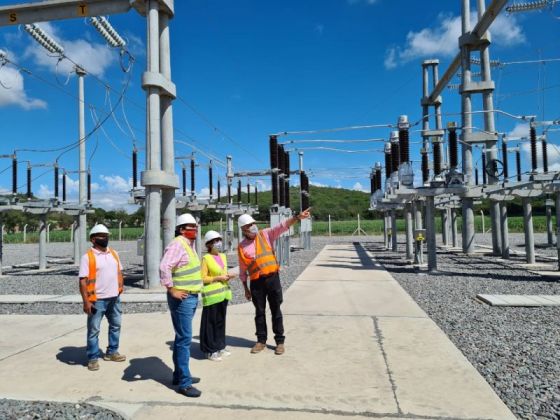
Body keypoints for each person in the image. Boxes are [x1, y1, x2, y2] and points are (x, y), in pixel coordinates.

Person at [238, 208, 311, 355]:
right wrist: (245, 288)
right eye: (249, 225)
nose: (253, 226)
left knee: (276, 310)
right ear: (243, 229)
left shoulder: (265, 234)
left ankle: (279, 342)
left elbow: (282, 225)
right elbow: (242, 270)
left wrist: (297, 217)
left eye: (253, 223)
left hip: (272, 278)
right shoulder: (241, 246)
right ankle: (261, 341)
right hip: (257, 283)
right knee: (259, 312)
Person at [160, 213, 203, 398]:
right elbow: (164, 267)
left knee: (181, 339)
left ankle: (179, 375)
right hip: (182, 299)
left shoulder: (188, 245)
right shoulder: (178, 244)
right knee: (185, 339)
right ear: (181, 229)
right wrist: (171, 289)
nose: (194, 229)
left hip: (190, 296)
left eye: (195, 226)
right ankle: (184, 384)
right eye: (190, 227)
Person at [78, 224, 126, 372]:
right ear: (93, 239)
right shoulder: (88, 257)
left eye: (106, 236)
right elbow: (82, 281)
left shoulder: (114, 253)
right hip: (96, 300)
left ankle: (112, 352)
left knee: (116, 326)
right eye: (101, 236)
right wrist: (86, 302)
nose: (104, 238)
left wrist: (119, 290)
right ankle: (92, 358)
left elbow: (119, 272)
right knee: (94, 330)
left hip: (114, 298)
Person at [200, 230, 236, 361]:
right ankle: (210, 350)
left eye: (219, 240)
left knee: (221, 322)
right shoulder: (206, 258)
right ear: (209, 244)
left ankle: (220, 346)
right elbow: (203, 278)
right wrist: (218, 278)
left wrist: (228, 276)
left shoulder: (223, 256)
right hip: (212, 296)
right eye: (215, 241)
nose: (218, 243)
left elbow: (223, 273)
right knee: (210, 323)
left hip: (223, 294)